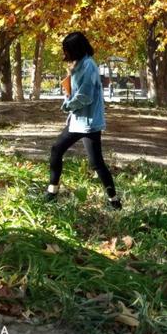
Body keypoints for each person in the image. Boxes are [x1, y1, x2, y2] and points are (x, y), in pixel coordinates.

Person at [44, 31, 121, 209]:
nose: (65, 54)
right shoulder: (79, 64)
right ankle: (52, 191)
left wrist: (67, 105)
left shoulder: (89, 66)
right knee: (56, 150)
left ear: (76, 49)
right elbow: (74, 91)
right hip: (77, 121)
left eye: (67, 50)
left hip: (89, 123)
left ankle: (114, 201)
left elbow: (85, 97)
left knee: (96, 163)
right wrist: (70, 78)